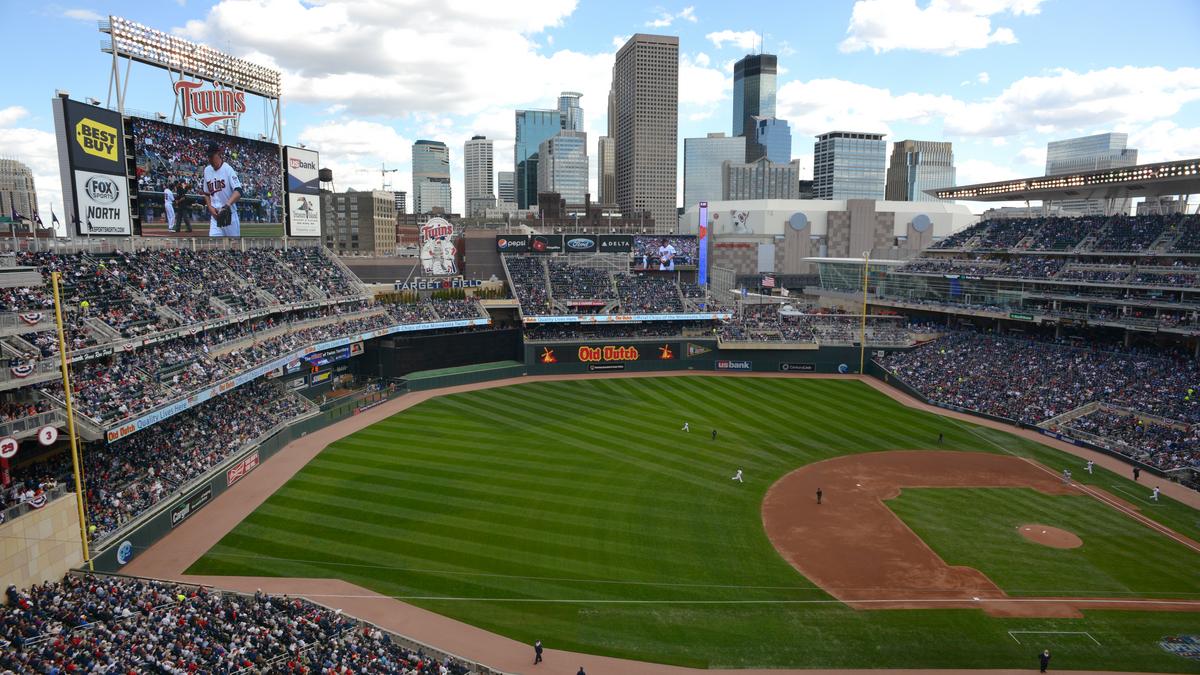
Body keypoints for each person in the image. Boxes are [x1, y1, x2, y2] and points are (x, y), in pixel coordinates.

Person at [203, 142, 242, 237]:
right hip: (215, 217)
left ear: (219, 154)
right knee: (213, 247)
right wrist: (210, 207)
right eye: (208, 157)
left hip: (230, 215)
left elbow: (238, 191)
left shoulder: (228, 169)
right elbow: (206, 193)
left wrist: (227, 206)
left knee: (234, 247)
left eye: (212, 156)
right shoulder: (207, 170)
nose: (210, 159)